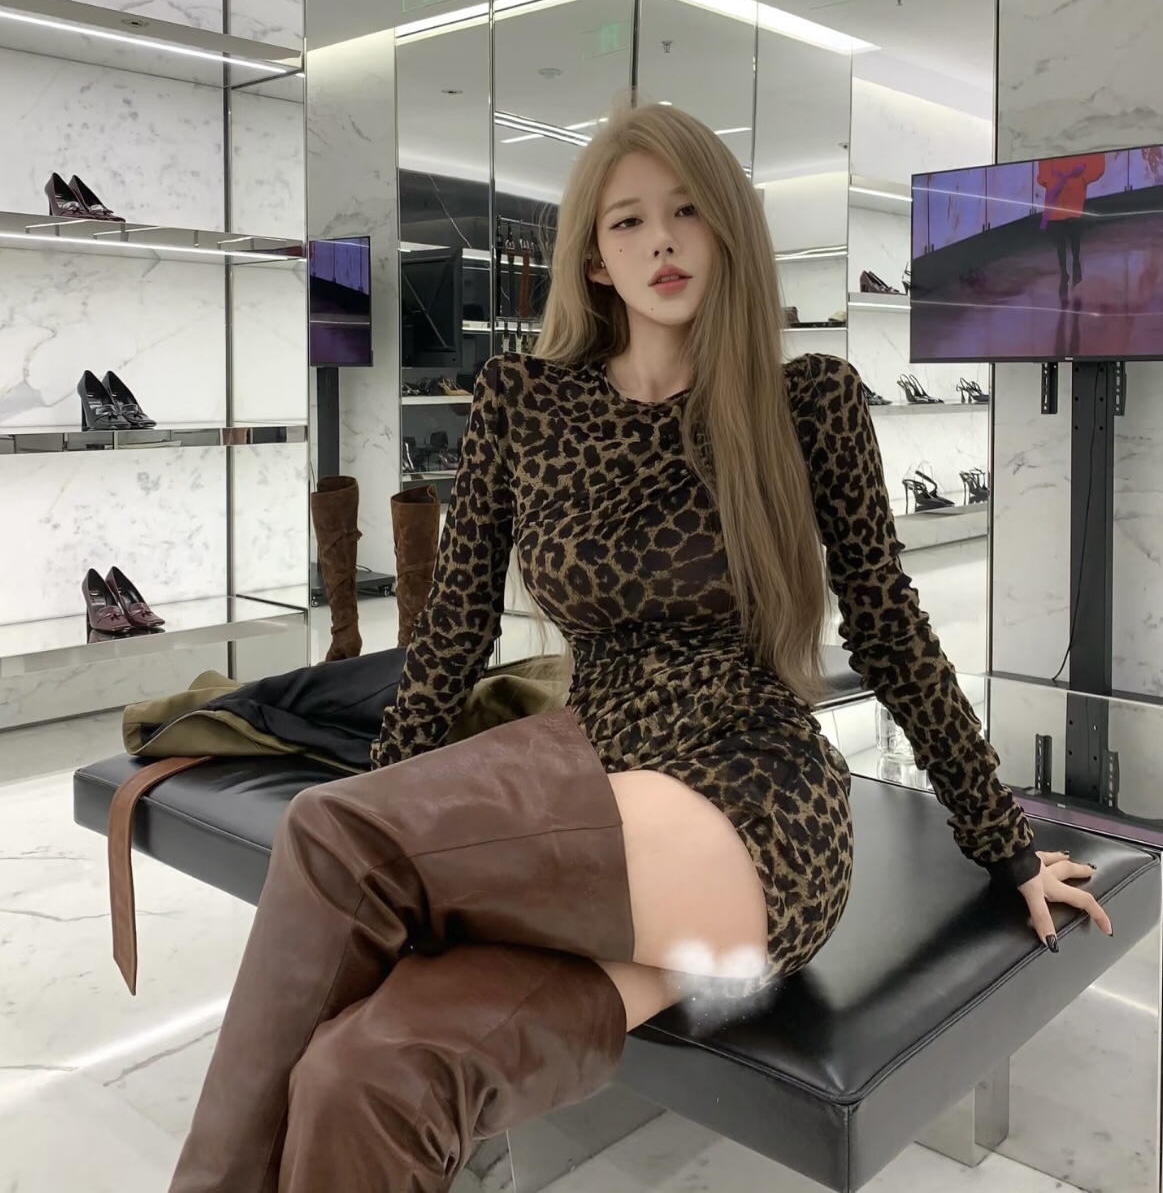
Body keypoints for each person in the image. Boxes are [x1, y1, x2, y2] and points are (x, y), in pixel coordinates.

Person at [169, 105, 1111, 1193]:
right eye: (627, 221)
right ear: (594, 258)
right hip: (589, 769)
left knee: (333, 836)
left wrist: (1003, 844)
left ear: (727, 230)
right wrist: (399, 795)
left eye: (687, 211)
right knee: (371, 1075)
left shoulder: (805, 401)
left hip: (750, 800)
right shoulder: (522, 402)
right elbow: (452, 632)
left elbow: (890, 630)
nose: (661, 240)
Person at [1037, 151, 1106, 297]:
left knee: (1074, 234)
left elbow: (1097, 162)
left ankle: (1075, 263)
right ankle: (1064, 272)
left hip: (1073, 191)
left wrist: (1082, 177)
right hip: (1057, 191)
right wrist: (1049, 180)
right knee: (1059, 238)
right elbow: (1044, 166)